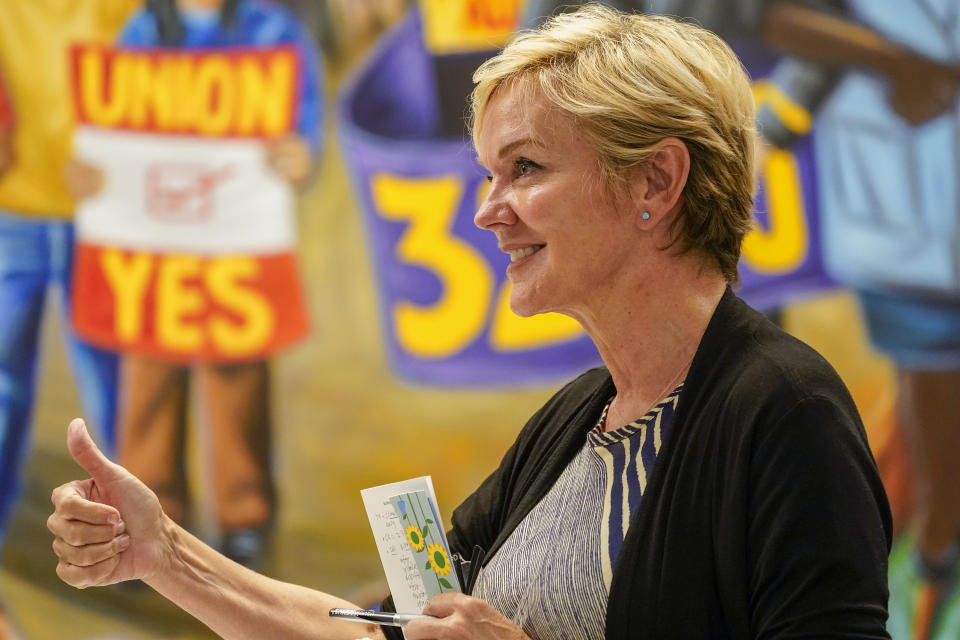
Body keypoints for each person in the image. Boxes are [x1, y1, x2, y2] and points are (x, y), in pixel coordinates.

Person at [46, 6, 892, 639]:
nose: (487, 212)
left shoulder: (784, 407)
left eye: (524, 167)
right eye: (488, 173)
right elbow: (378, 630)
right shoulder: (573, 419)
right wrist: (163, 554)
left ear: (654, 183)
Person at [67, 0, 323, 567]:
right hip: (153, 246)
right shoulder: (141, 30)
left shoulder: (273, 31)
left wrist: (300, 153)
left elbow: (303, 122)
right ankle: (146, 513)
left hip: (236, 245)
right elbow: (110, 127)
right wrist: (91, 166)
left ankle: (244, 518)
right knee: (149, 386)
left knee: (237, 381)